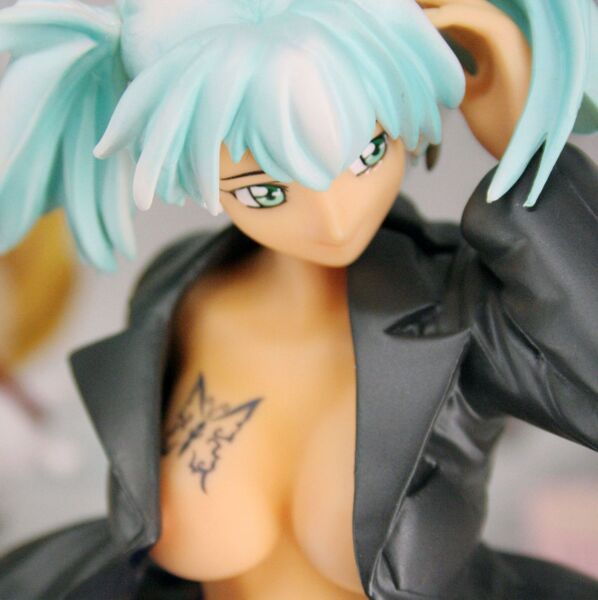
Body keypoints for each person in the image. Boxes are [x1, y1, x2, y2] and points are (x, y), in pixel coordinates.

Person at [0, 0, 597, 598]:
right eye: (264, 191)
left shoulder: (462, 309)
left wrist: (529, 157)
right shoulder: (182, 297)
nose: (334, 218)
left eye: (368, 153)